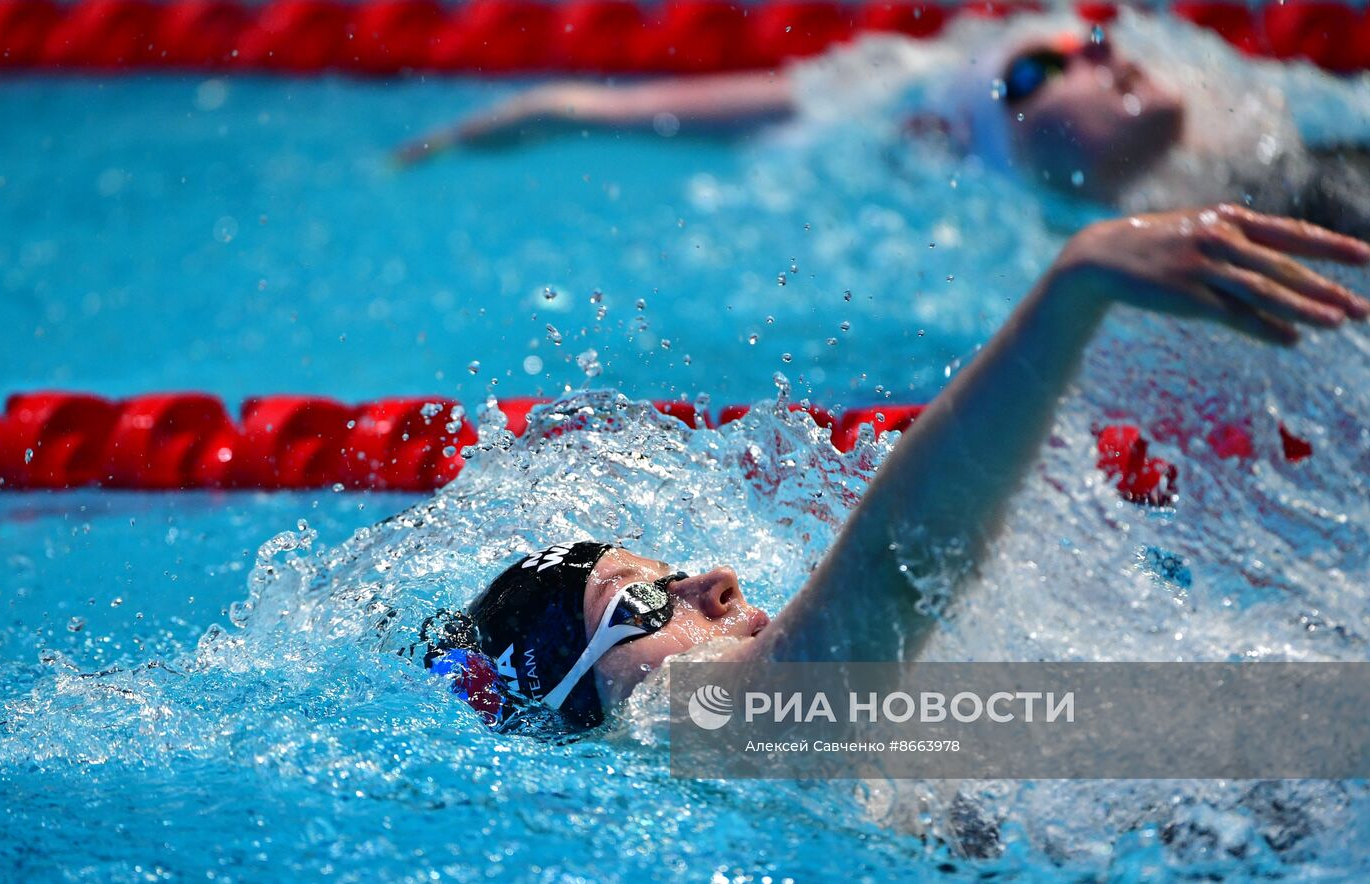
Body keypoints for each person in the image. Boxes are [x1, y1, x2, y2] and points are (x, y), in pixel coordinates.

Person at [408, 204, 1369, 732]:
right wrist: (1074, 286)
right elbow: (901, 570)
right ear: (584, 697)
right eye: (641, 609)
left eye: (669, 573)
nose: (710, 579)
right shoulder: (682, 735)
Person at [391, 22, 1370, 237]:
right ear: (965, 151)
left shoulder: (1308, 147)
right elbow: (792, 108)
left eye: (1091, 37)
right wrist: (558, 110)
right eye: (1035, 71)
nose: (1094, 55)